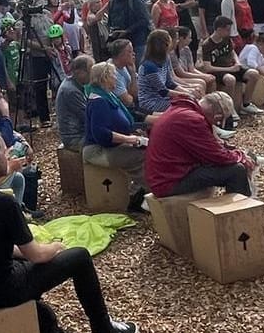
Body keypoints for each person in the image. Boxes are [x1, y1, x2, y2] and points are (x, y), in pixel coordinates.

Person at [0, 127, 139, 333]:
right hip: (0, 291)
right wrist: (57, 247)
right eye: (3, 150)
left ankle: (41, 331)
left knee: (26, 265)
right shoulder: (2, 202)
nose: (8, 153)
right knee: (79, 257)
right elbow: (36, 255)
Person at [147, 92, 261, 199]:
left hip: (166, 175)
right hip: (170, 181)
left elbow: (208, 150)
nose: (216, 124)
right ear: (217, 116)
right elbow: (216, 156)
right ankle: (239, 212)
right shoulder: (193, 119)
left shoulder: (182, 110)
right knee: (237, 170)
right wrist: (240, 157)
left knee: (232, 166)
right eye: (219, 120)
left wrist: (229, 151)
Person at [83, 62, 149, 214]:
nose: (116, 78)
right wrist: (129, 139)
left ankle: (138, 194)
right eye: (113, 75)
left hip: (110, 146)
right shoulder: (98, 101)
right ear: (105, 78)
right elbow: (101, 134)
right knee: (142, 155)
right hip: (98, 151)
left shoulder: (108, 95)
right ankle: (144, 196)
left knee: (146, 149)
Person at [198, 16, 260, 114]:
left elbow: (232, 52)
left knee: (254, 74)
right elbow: (207, 67)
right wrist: (230, 69)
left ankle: (246, 104)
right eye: (227, 30)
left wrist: (237, 62)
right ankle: (229, 109)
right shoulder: (207, 45)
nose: (229, 32)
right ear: (219, 30)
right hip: (219, 70)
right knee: (230, 79)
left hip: (232, 67)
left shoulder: (226, 39)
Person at [105, 0, 151, 64]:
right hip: (121, 44)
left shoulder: (134, 0)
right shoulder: (112, 3)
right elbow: (111, 21)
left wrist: (127, 31)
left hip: (138, 41)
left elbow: (145, 20)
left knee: (139, 66)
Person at [136, 30, 182, 114]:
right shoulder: (149, 66)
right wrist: (185, 95)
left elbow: (170, 83)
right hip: (150, 102)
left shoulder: (166, 58)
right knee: (185, 106)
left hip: (163, 98)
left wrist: (187, 91)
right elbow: (163, 91)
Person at [55, 55, 93, 152]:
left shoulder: (77, 85)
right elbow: (87, 117)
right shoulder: (71, 91)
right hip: (75, 137)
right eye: (90, 71)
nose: (92, 75)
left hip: (80, 133)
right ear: (78, 72)